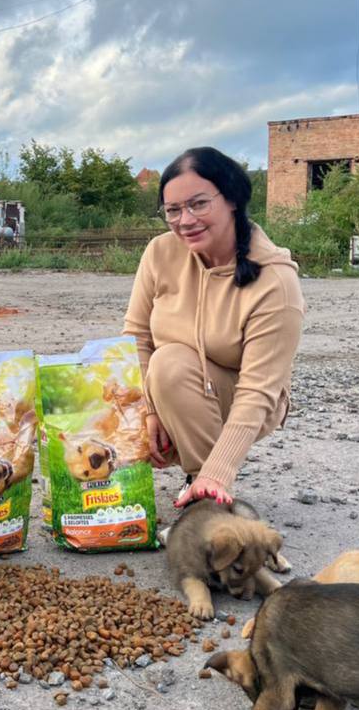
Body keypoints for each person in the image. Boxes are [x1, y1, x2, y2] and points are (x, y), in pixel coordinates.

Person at [123, 146, 304, 510]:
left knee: (170, 364)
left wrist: (216, 473)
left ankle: (208, 498)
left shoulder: (275, 281)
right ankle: (202, 484)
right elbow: (136, 337)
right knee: (163, 366)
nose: (185, 220)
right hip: (175, 385)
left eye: (199, 204)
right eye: (173, 210)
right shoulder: (160, 252)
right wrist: (150, 412)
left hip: (242, 394)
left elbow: (257, 391)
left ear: (233, 198)